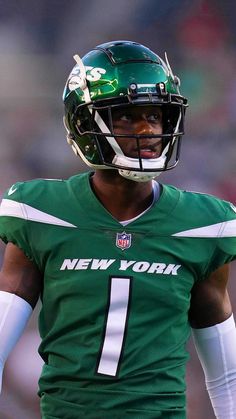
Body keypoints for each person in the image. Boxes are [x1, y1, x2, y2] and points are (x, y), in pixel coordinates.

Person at [0, 40, 235, 419]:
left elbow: (227, 376)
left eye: (156, 116)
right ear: (84, 124)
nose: (148, 130)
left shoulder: (204, 225)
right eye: (128, 116)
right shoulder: (40, 213)